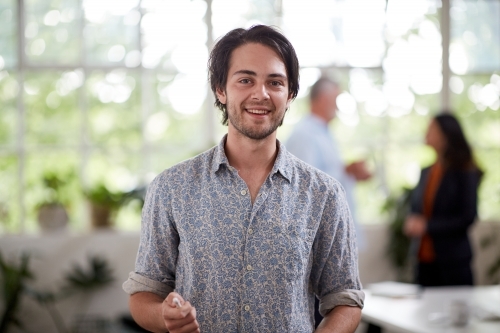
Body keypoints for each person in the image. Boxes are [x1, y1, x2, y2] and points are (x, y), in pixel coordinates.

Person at [122, 25, 364, 333]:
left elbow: (345, 297)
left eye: (274, 82)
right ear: (221, 89)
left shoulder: (325, 194)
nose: (260, 94)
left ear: (289, 95)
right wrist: (163, 316)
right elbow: (145, 293)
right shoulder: (172, 188)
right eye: (245, 80)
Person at [285, 77, 371, 327]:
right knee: (318, 313)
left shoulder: (323, 133)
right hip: (317, 240)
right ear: (321, 99)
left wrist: (348, 171)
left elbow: (325, 177)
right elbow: (306, 187)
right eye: (335, 99)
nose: (337, 106)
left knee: (339, 304)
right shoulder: (304, 134)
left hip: (332, 236)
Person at [404, 113, 482, 287]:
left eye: (431, 128)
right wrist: (413, 221)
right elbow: (418, 209)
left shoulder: (464, 171)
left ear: (445, 135)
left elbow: (468, 217)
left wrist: (427, 226)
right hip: (424, 261)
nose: (426, 133)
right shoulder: (427, 172)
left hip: (453, 262)